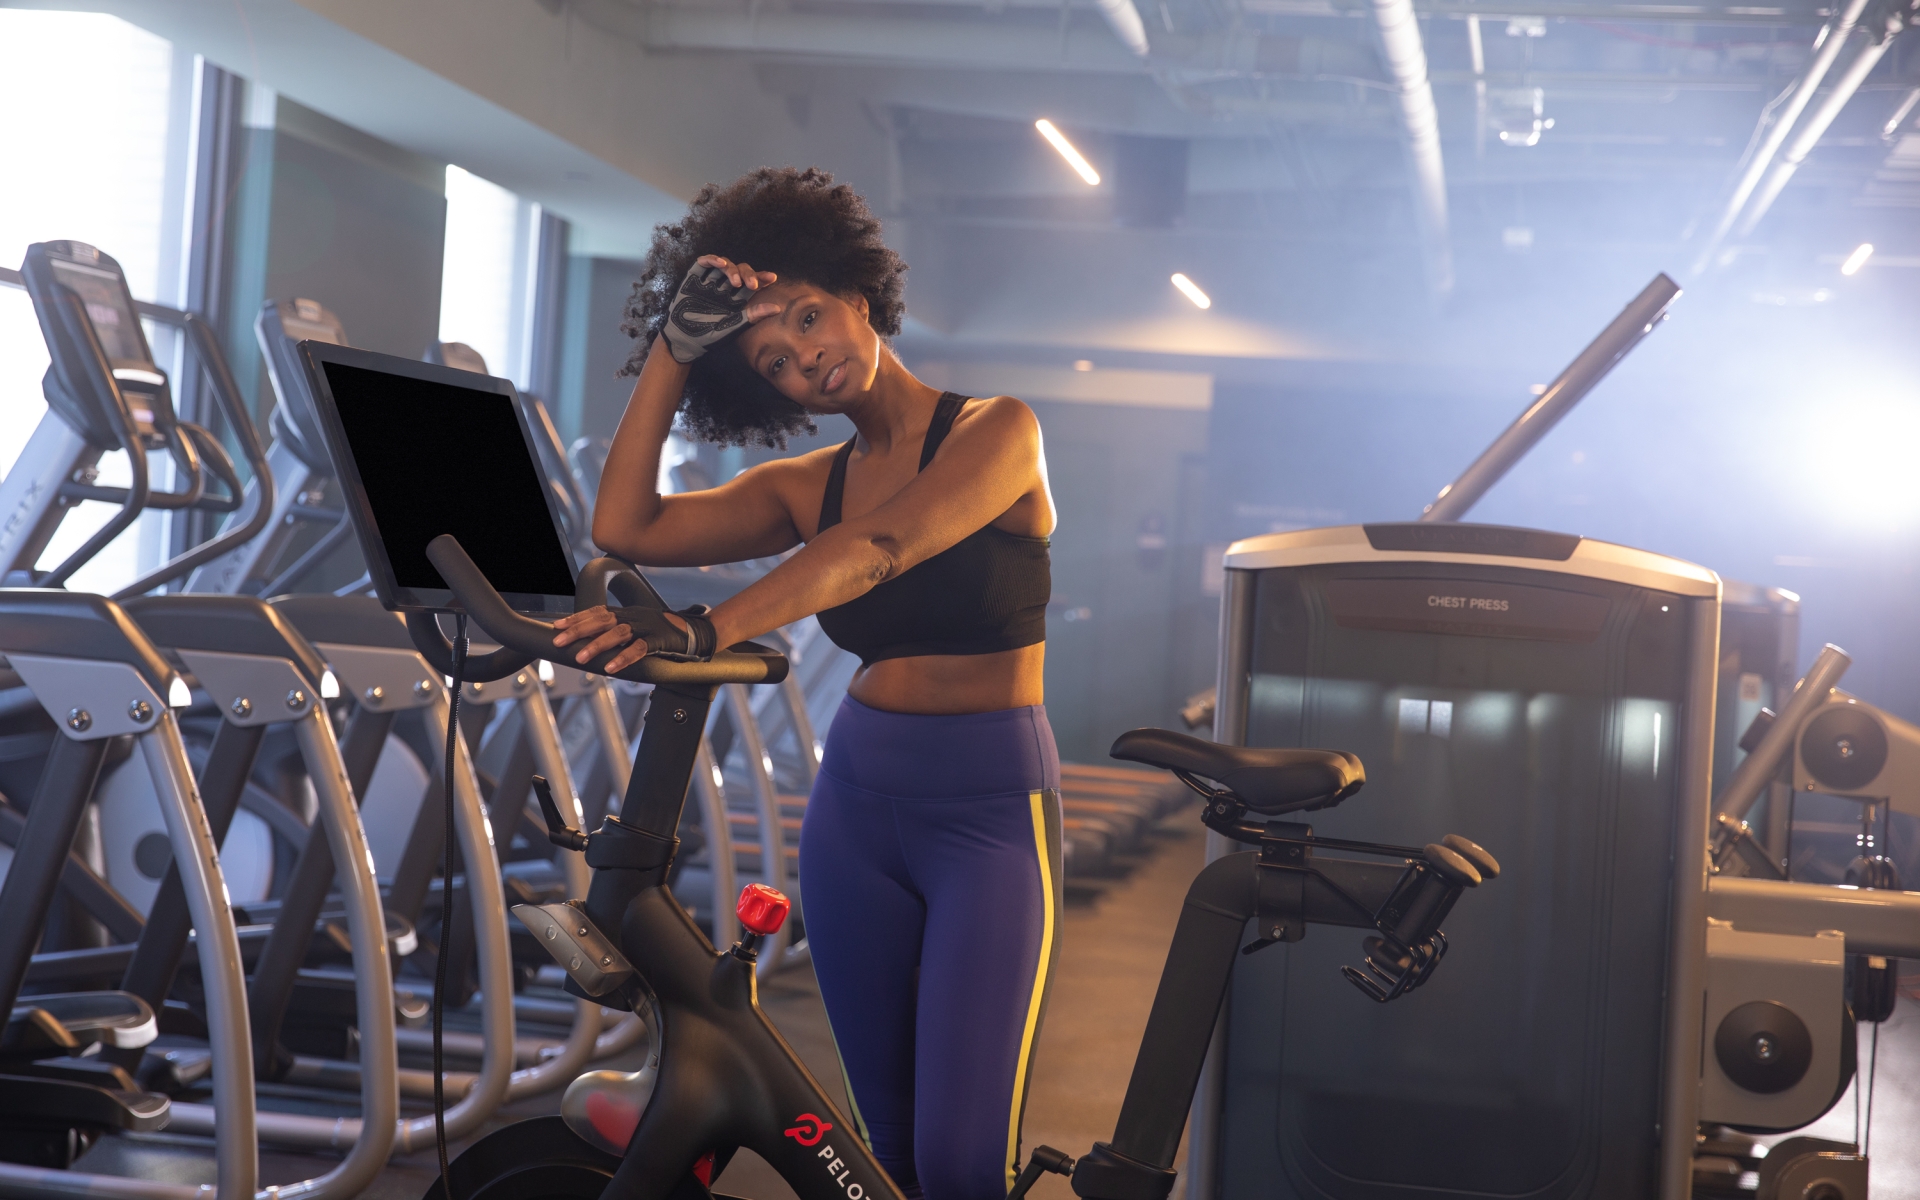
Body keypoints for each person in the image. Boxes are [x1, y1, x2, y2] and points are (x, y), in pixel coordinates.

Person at [550, 167, 1062, 1200]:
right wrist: (672, 355)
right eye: (773, 361)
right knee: (885, 1154)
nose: (805, 358)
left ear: (857, 299)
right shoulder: (805, 485)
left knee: (965, 1166)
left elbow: (883, 546)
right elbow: (627, 528)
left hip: (991, 811)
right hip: (859, 810)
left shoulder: (998, 431)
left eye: (808, 319)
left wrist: (711, 626)